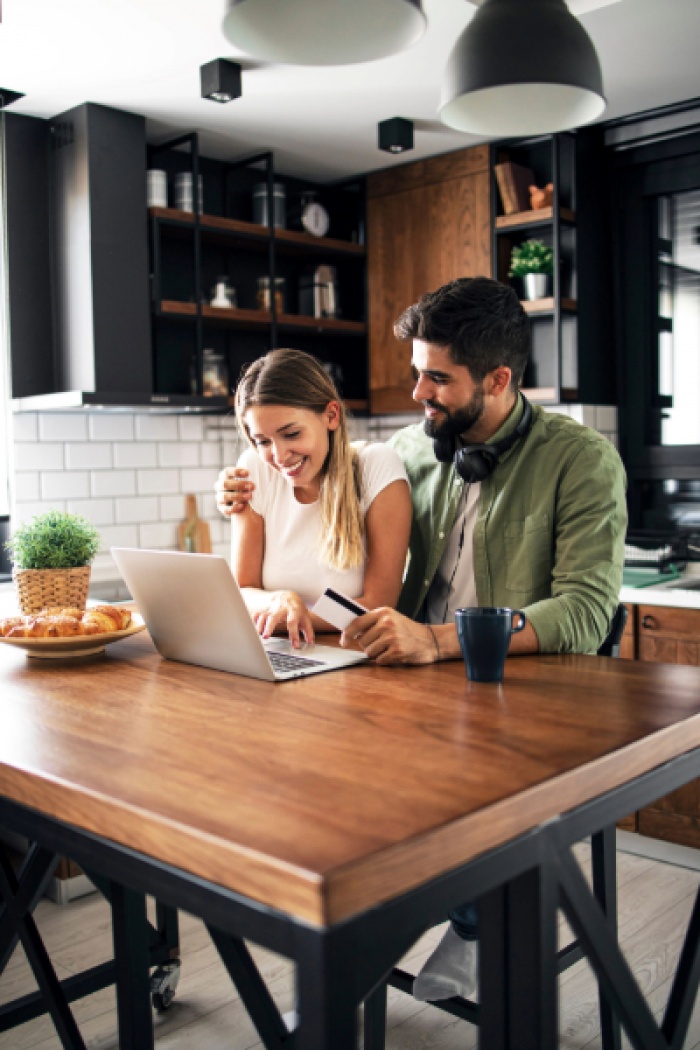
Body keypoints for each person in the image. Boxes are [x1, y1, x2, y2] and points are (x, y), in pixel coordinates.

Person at [216, 278, 627, 1002]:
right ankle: (362, 928)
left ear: (497, 379)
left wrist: (439, 642)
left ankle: (461, 926)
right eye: (416, 372)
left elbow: (589, 612)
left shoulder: (582, 461)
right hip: (411, 678)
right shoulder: (411, 448)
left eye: (437, 378)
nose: (417, 392)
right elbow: (311, 480)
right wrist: (245, 487)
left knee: (449, 783)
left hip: (522, 688)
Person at [223, 347, 411, 648]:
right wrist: (280, 600)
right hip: (278, 650)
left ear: (331, 415)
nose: (280, 456)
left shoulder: (376, 467)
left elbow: (378, 604)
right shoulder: (254, 469)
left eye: (292, 434)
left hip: (354, 659)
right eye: (262, 441)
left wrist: (299, 617)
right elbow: (243, 590)